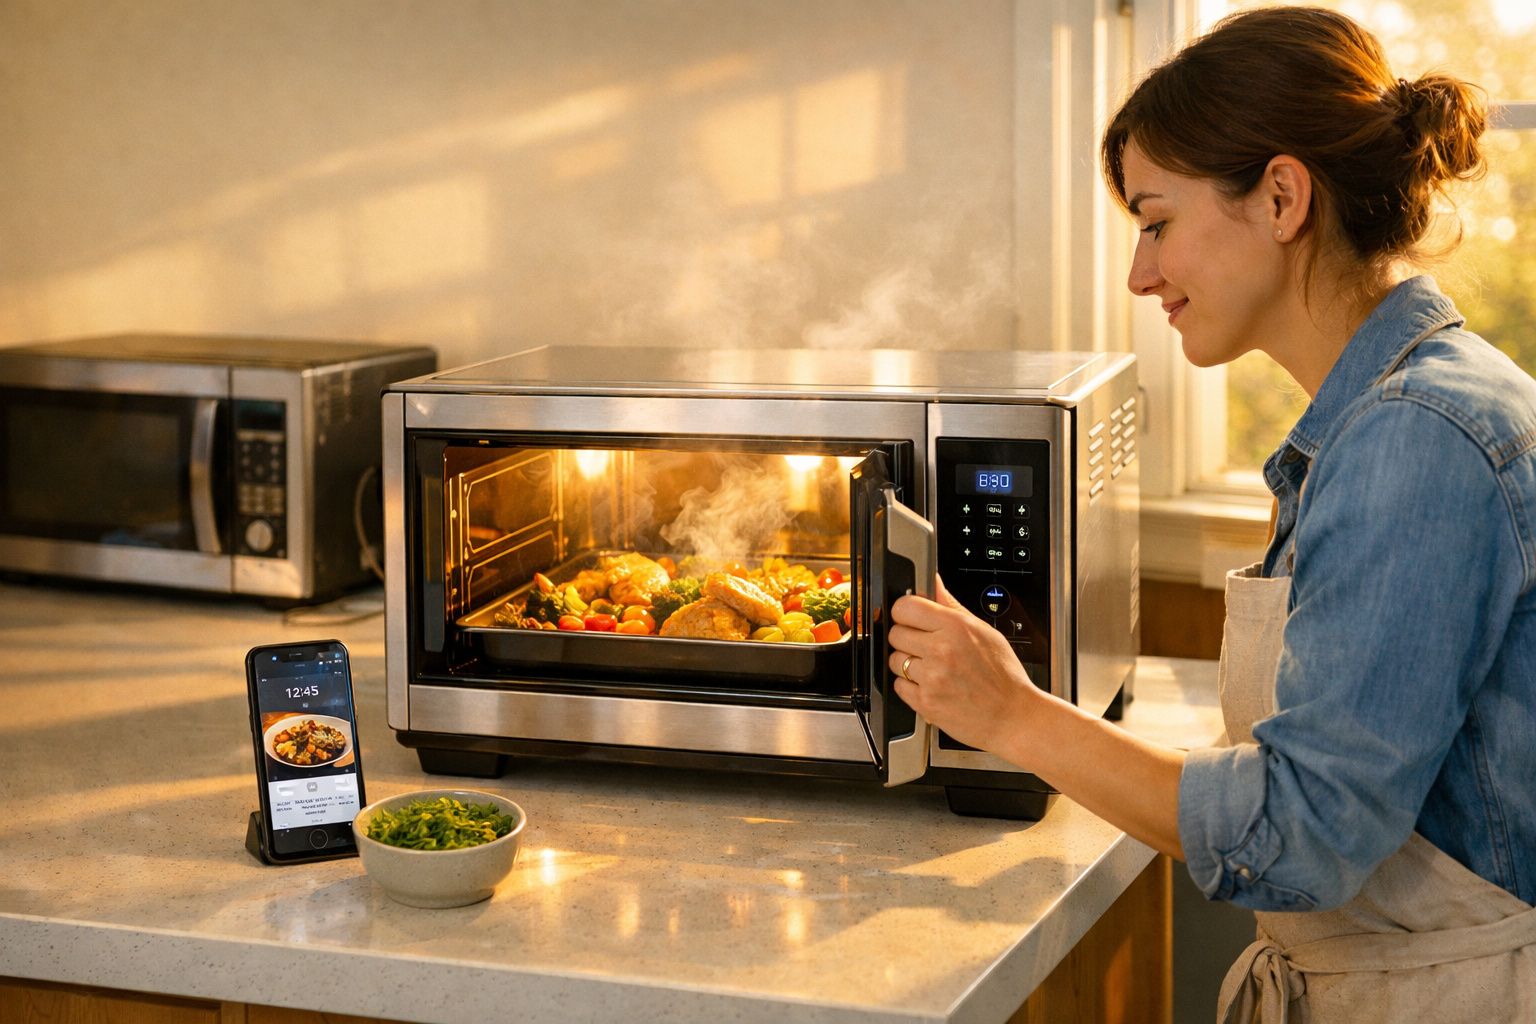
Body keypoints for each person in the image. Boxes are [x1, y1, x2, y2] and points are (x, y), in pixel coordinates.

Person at [886, 5, 1536, 1020]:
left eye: (1156, 221)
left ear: (1281, 197)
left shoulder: (1415, 435)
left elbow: (1302, 833)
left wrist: (1011, 712)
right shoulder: (1396, 409)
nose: (1141, 274)